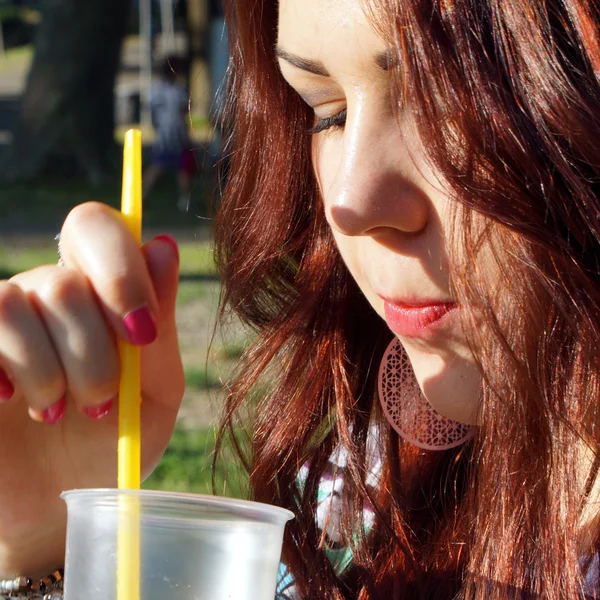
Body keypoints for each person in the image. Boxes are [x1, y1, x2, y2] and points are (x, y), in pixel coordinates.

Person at [0, 0, 600, 598]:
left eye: (451, 99)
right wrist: (47, 543)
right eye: (328, 113)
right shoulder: (356, 491)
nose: (348, 203)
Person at [142, 56, 196, 212]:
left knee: (158, 165)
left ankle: (143, 194)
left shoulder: (155, 89)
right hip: (176, 133)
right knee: (183, 167)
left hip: (162, 134)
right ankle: (185, 199)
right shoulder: (178, 91)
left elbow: (152, 112)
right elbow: (183, 113)